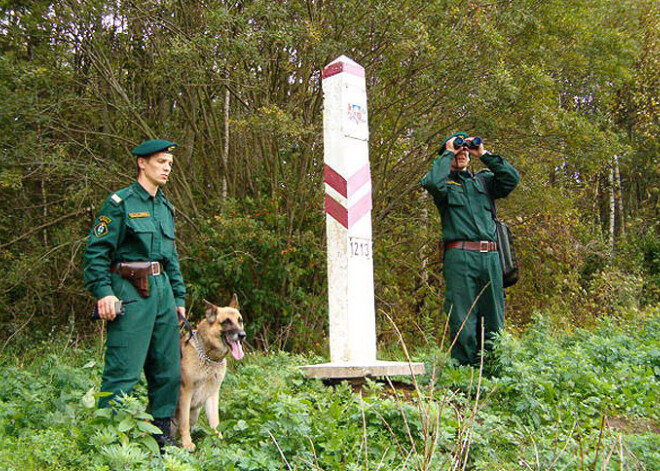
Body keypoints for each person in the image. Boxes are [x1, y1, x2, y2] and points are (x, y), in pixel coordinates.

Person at [83, 139, 186, 447]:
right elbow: (96, 253)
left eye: (169, 163)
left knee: (167, 369)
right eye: (160, 162)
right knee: (124, 369)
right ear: (142, 163)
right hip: (129, 290)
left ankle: (161, 437)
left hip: (163, 292)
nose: (166, 168)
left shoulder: (165, 207)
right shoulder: (120, 203)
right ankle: (110, 439)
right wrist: (103, 292)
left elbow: (172, 257)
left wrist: (178, 299)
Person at [421, 133, 520, 366]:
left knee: (494, 315)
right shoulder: (444, 184)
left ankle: (493, 367)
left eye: (465, 151)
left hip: (491, 256)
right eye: (458, 151)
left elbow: (511, 179)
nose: (463, 153)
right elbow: (431, 182)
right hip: (460, 256)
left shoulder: (484, 181)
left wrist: (483, 153)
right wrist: (448, 152)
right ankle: (464, 372)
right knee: (462, 315)